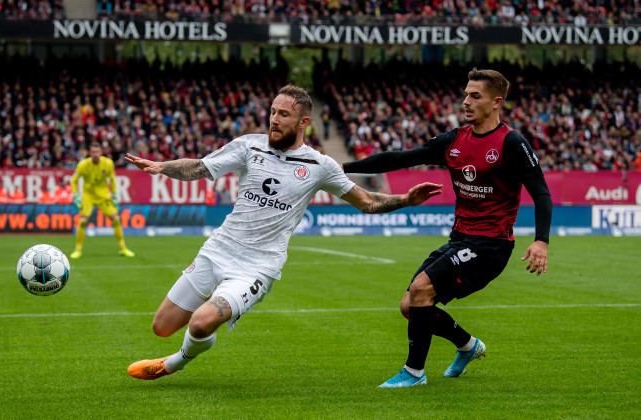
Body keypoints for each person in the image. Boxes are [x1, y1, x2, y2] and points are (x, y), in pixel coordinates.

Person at [124, 84, 443, 381]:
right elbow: (202, 167)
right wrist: (162, 167)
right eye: (273, 112)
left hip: (256, 268)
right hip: (218, 249)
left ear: (303, 122)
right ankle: (186, 343)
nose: (274, 119)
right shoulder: (249, 145)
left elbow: (367, 201)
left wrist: (405, 199)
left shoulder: (320, 165)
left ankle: (173, 363)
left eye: (284, 114)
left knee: (202, 321)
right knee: (162, 326)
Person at [342, 68, 552, 388]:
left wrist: (541, 241)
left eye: (475, 96)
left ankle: (414, 373)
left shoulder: (511, 142)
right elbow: (401, 158)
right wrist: (341, 167)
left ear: (497, 102)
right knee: (409, 305)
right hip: (460, 239)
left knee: (421, 290)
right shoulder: (455, 139)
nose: (466, 101)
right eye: (466, 94)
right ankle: (468, 346)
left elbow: (541, 192)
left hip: (490, 245)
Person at [69, 142, 134, 259]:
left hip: (103, 196)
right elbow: (74, 180)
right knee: (83, 222)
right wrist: (76, 196)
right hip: (88, 196)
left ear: (101, 152)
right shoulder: (83, 165)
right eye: (93, 152)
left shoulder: (108, 163)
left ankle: (122, 247)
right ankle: (77, 249)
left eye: (97, 152)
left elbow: (112, 180)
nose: (95, 154)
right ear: (90, 153)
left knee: (116, 219)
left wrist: (114, 196)